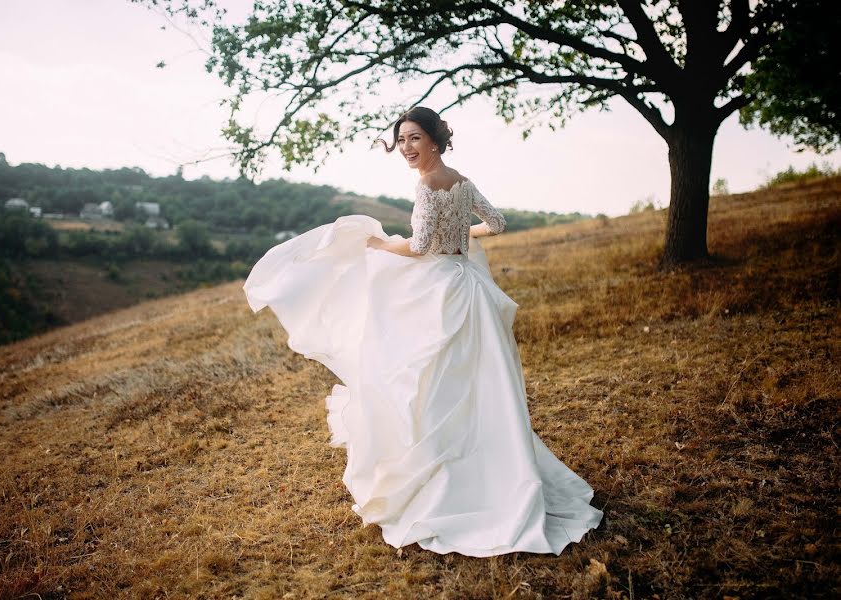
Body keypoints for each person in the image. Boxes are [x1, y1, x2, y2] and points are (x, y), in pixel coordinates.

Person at [242, 106, 603, 557]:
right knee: (469, 383)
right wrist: (457, 240)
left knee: (430, 378)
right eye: (402, 140)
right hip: (467, 285)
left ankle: (447, 482)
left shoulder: (429, 185)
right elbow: (496, 224)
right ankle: (487, 469)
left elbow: (416, 247)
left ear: (433, 139)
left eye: (414, 138)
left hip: (441, 291)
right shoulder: (463, 181)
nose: (407, 148)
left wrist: (379, 245)